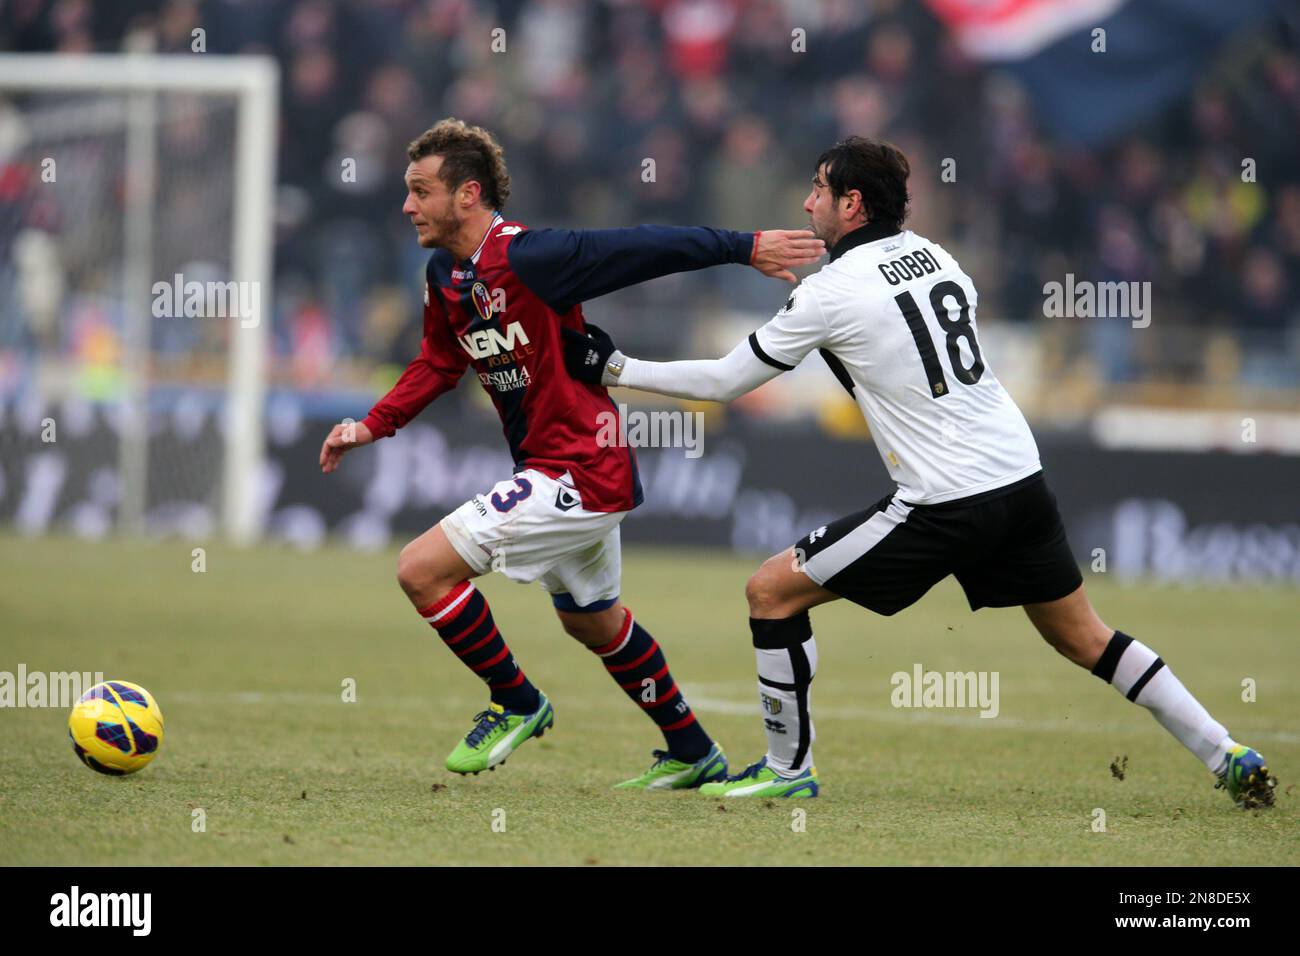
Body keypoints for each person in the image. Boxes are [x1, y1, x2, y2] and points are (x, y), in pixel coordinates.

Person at [562, 135, 1276, 806]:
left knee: (769, 592)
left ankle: (787, 771)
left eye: (818, 189)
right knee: (1083, 636)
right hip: (1020, 478)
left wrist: (616, 367)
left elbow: (725, 381)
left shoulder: (832, 290)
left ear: (852, 205)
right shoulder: (939, 257)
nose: (807, 202)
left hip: (946, 500)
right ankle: (1225, 752)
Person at [318, 118, 825, 788]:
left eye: (421, 191)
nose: (408, 205)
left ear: (468, 195)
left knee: (421, 571)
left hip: (580, 470)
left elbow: (643, 246)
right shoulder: (443, 273)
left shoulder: (531, 256)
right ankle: (693, 750)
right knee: (592, 622)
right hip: (555, 469)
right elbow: (439, 363)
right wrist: (370, 425)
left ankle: (516, 702)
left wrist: (743, 246)